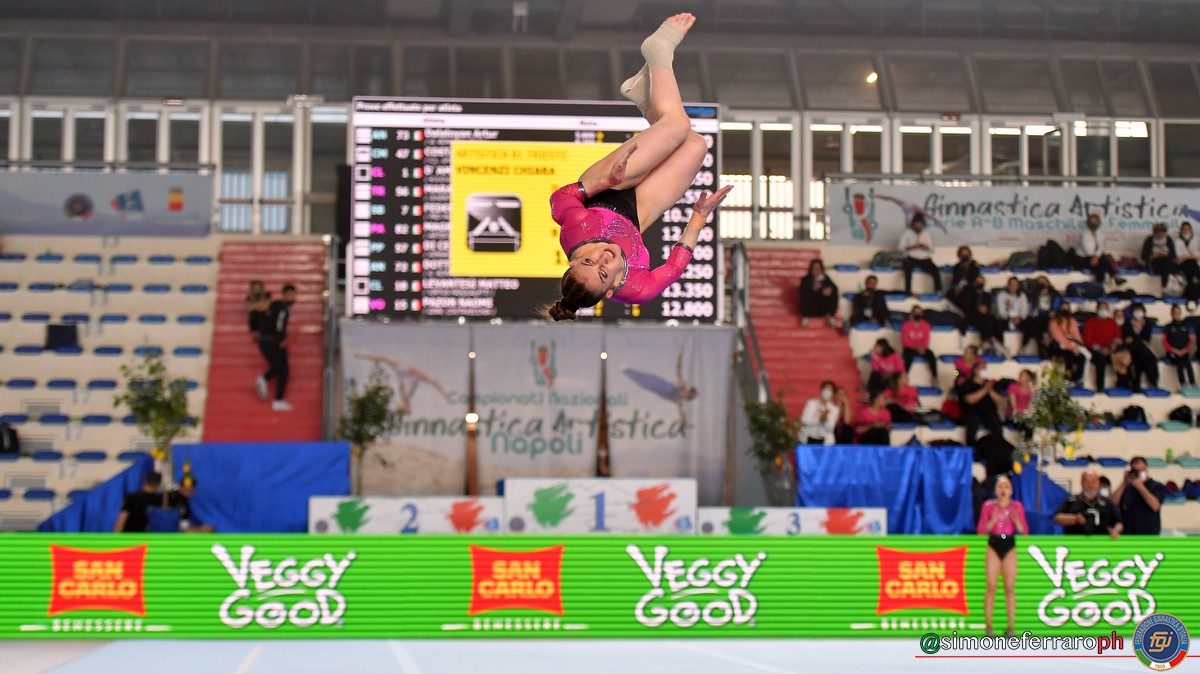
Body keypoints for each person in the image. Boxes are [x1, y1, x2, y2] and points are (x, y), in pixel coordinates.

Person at [546, 14, 732, 320]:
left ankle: (659, 49)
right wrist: (698, 218)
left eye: (589, 261)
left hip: (607, 186)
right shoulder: (636, 288)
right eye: (604, 272)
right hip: (638, 213)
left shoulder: (577, 231)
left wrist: (604, 180)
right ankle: (643, 96)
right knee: (696, 145)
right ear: (610, 291)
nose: (603, 258)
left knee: (678, 125)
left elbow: (560, 199)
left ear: (573, 261)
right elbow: (674, 267)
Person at [976, 475, 1027, 638]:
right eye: (1000, 486)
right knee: (991, 586)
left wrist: (1016, 521)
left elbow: (1024, 531)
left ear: (1011, 490)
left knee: (1009, 587)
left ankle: (1011, 627)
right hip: (994, 543)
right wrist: (993, 520)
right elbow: (981, 531)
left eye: (1006, 486)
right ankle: (989, 627)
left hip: (1009, 544)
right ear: (995, 490)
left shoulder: (1017, 506)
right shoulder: (988, 506)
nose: (1003, 489)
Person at [256, 284, 296, 411]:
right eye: (289, 294)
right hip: (271, 341)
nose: (292, 297)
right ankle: (278, 400)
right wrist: (281, 338)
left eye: (293, 294)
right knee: (283, 369)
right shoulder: (282, 308)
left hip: (267, 341)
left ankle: (264, 379)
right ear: (284, 295)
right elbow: (278, 325)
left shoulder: (277, 306)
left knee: (280, 367)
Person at [1054, 470, 1123, 538]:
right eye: (1087, 482)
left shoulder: (1107, 502)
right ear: (1081, 483)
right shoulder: (1071, 501)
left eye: (1093, 481)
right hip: (1076, 542)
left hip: (1101, 542)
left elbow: (1119, 523)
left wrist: (1115, 531)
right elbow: (1057, 518)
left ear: (1099, 483)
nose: (1090, 485)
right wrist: (1075, 519)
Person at [1112, 456, 1166, 535]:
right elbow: (1113, 502)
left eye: (1142, 470)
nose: (1139, 473)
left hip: (1149, 534)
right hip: (1129, 534)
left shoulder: (1156, 486)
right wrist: (1124, 483)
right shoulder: (1127, 488)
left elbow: (1155, 506)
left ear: (1146, 469)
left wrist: (1140, 486)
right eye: (1136, 471)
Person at [959, 360, 1005, 451]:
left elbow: (1000, 400)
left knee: (997, 425)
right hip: (973, 412)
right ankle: (971, 450)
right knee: (972, 424)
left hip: (989, 412)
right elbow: (970, 400)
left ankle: (998, 451)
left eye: (985, 368)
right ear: (975, 370)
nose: (984, 370)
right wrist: (984, 390)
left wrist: (990, 390)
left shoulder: (990, 384)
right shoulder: (967, 384)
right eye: (982, 368)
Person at [898, 213, 942, 296]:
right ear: (913, 224)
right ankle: (908, 291)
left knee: (935, 270)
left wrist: (925, 247)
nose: (919, 226)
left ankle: (938, 290)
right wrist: (912, 247)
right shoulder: (907, 233)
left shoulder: (926, 234)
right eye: (917, 224)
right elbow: (900, 247)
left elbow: (932, 249)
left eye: (920, 224)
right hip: (911, 257)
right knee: (907, 269)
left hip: (924, 258)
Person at [1073, 214, 1123, 286]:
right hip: (1082, 259)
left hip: (1095, 258)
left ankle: (1100, 284)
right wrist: (1097, 256)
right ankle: (1113, 277)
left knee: (1102, 261)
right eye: (1092, 222)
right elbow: (1089, 251)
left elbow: (1101, 246)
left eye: (1095, 222)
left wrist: (1097, 256)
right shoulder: (1085, 234)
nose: (1094, 224)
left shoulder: (1100, 233)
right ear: (1088, 223)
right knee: (1102, 260)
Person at [1083, 301, 1122, 391]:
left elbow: (1118, 337)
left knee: (1122, 356)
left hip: (1110, 348)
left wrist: (1114, 345)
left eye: (1105, 308)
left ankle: (1123, 384)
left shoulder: (1112, 322)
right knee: (1100, 360)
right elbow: (1088, 340)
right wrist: (1100, 349)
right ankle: (1100, 387)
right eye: (1101, 308)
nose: (1103, 310)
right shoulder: (1090, 322)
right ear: (1097, 310)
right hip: (1096, 350)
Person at [1122, 302, 1159, 392]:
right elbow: (1126, 338)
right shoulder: (1127, 324)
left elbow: (1146, 339)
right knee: (1136, 358)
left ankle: (1153, 381)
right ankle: (1134, 384)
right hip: (1131, 349)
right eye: (1136, 311)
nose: (1138, 313)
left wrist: (1135, 339)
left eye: (1140, 310)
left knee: (1148, 357)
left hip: (1143, 349)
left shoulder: (1147, 324)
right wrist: (1137, 340)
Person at [1047, 307, 1087, 386]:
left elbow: (1076, 335)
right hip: (1057, 347)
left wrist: (1078, 346)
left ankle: (1077, 379)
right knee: (1069, 355)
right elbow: (1059, 337)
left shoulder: (1072, 320)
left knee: (1082, 357)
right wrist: (1072, 348)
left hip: (1072, 346)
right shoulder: (1054, 322)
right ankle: (1067, 378)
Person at [1022, 276, 1060, 358]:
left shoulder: (1054, 295)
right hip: (1038, 319)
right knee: (1031, 323)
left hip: (1049, 318)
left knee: (1041, 323)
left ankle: (1046, 348)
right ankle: (1038, 346)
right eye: (1040, 283)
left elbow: (1054, 310)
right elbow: (1032, 311)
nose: (1042, 285)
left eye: (1044, 282)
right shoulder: (1034, 296)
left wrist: (1052, 311)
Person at [798, 259, 840, 328]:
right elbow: (801, 290)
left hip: (822, 307)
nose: (816, 270)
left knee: (834, 292)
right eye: (814, 268)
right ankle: (805, 317)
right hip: (810, 308)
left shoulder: (826, 279)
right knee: (806, 293)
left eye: (818, 268)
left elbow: (835, 288)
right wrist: (812, 288)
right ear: (811, 269)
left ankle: (831, 316)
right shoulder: (806, 279)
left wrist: (829, 290)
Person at [1163, 303, 1196, 389]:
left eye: (1178, 312)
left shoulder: (1185, 326)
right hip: (1173, 353)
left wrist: (1186, 350)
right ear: (1172, 313)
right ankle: (1183, 383)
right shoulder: (1168, 327)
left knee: (1188, 363)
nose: (1177, 314)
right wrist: (1174, 350)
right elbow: (1165, 342)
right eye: (1175, 312)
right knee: (1180, 362)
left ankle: (1193, 383)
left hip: (1184, 351)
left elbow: (1189, 340)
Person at [900, 306, 937, 381]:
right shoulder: (906, 325)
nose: (917, 314)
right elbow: (905, 341)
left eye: (919, 313)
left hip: (922, 348)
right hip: (909, 348)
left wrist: (922, 347)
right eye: (915, 312)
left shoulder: (926, 325)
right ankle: (904, 376)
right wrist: (916, 347)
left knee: (931, 354)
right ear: (912, 314)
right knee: (909, 355)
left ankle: (934, 376)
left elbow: (926, 340)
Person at [800, 381, 840, 445]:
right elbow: (804, 420)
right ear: (821, 390)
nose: (827, 392)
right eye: (826, 389)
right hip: (808, 438)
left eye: (830, 390)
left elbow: (830, 428)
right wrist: (819, 418)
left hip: (825, 441)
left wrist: (825, 419)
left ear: (833, 394)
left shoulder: (834, 409)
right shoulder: (812, 403)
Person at [1141, 222, 1178, 290]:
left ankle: (1165, 286)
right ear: (1155, 232)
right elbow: (1143, 256)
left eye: (1162, 232)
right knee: (1165, 263)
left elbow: (1173, 255)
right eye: (1159, 232)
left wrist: (1166, 255)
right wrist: (1151, 256)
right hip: (1155, 263)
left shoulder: (1168, 240)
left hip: (1167, 262)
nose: (1160, 234)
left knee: (1165, 262)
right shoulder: (1149, 240)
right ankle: (1166, 285)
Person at [946, 246, 981, 313]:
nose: (964, 255)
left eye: (966, 253)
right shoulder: (956, 267)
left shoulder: (974, 265)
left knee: (966, 293)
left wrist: (964, 287)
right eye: (962, 253)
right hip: (959, 287)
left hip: (970, 287)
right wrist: (956, 287)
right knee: (950, 294)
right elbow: (954, 280)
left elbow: (975, 278)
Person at [1176, 221, 1200, 286]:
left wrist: (1190, 257)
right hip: (1184, 262)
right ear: (1181, 230)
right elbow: (1179, 257)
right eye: (1184, 228)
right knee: (1191, 263)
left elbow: (1198, 255)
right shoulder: (1178, 241)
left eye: (1187, 228)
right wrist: (1189, 257)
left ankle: (1190, 283)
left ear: (1190, 229)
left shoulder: (1196, 239)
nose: (1186, 230)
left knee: (1191, 263)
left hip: (1194, 261)